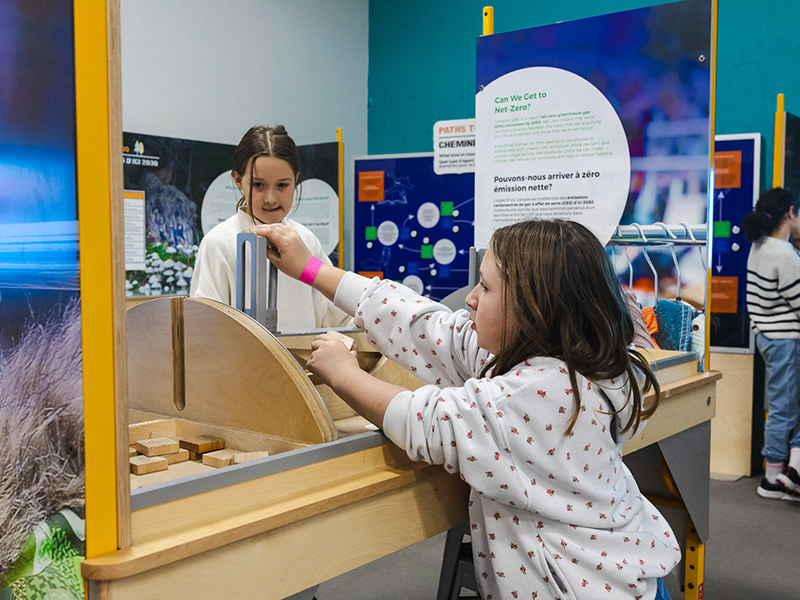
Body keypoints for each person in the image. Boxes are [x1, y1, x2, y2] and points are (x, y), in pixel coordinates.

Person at [252, 218, 680, 600]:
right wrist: (312, 270)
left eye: (487, 287)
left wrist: (343, 373)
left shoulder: (540, 395)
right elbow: (427, 326)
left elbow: (427, 420)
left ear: (536, 309)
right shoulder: (569, 362)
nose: (470, 299)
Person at [190, 125, 350, 331]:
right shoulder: (220, 243)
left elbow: (339, 318)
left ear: (296, 179)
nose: (271, 198)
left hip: (302, 364)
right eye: (258, 185)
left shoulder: (306, 240)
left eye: (282, 185)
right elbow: (204, 329)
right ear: (238, 180)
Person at [742, 187, 800, 501]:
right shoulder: (783, 253)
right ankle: (774, 477)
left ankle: (786, 472)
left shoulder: (760, 246)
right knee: (784, 408)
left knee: (783, 405)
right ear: (790, 213)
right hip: (785, 340)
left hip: (767, 336)